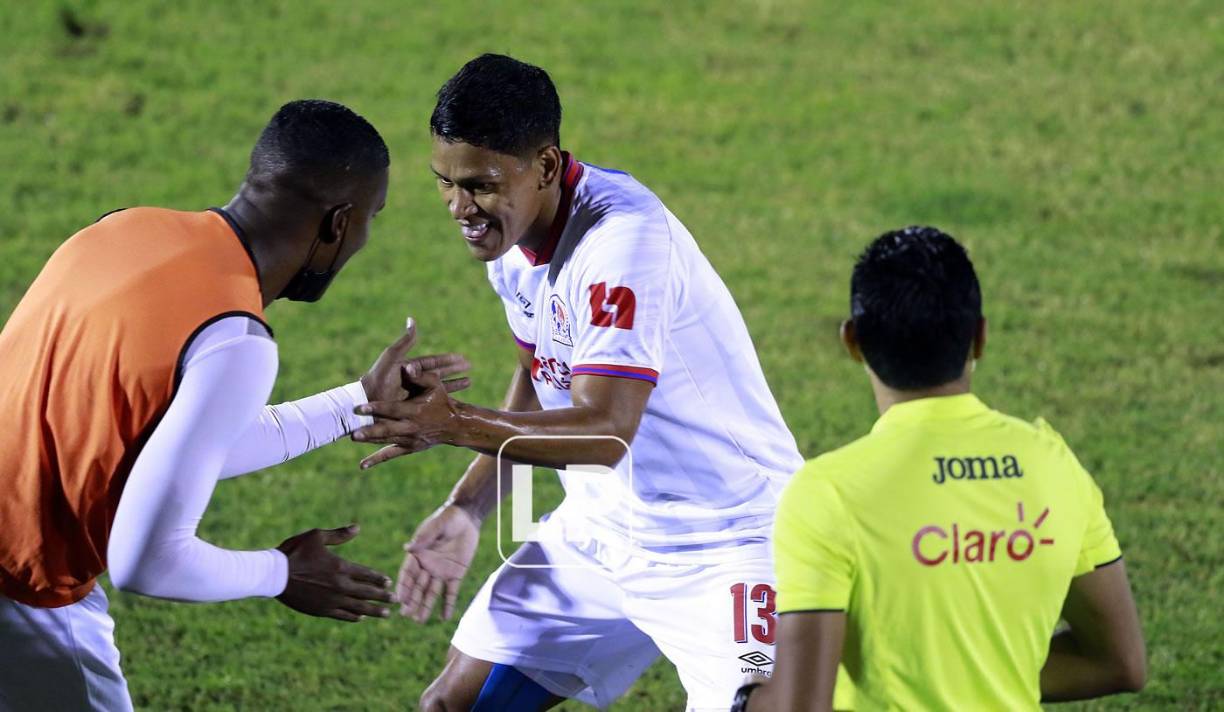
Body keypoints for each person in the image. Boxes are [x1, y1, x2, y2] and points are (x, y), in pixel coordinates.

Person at [350, 53, 820, 712]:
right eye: (444, 182)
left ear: (545, 166)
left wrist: (450, 424)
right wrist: (469, 506)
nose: (460, 207)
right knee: (453, 704)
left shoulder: (622, 241)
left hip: (725, 541)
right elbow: (541, 370)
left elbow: (606, 431)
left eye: (480, 184)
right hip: (599, 533)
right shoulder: (511, 238)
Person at [0, 99, 469, 711]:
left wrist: (357, 402)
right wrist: (282, 573)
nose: (363, 241)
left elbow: (170, 444)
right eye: (369, 221)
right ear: (337, 224)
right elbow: (145, 562)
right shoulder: (234, 338)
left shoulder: (120, 228)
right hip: (26, 599)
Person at [734, 226, 1146, 711]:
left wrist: (751, 699)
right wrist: (982, 675)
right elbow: (1120, 663)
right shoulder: (1054, 466)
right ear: (980, 337)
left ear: (852, 342)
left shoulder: (829, 494)